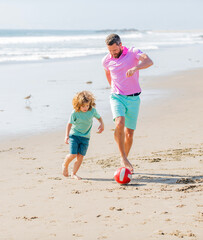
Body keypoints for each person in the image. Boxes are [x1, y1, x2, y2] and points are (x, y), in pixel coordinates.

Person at [102, 33, 153, 173]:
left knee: (129, 133)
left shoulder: (133, 52)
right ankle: (123, 157)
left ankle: (124, 160)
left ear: (120, 44)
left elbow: (149, 61)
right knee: (119, 123)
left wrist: (135, 68)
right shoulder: (106, 60)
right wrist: (113, 87)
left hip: (134, 98)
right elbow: (108, 73)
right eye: (109, 50)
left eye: (114, 50)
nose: (112, 53)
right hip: (117, 97)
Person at [62, 91, 104, 180]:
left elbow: (99, 117)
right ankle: (65, 164)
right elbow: (69, 124)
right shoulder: (75, 113)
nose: (85, 108)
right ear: (78, 104)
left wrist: (101, 124)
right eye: (83, 106)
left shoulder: (92, 111)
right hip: (74, 136)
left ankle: (74, 173)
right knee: (73, 155)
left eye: (87, 105)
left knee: (80, 156)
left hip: (85, 137)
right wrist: (67, 136)